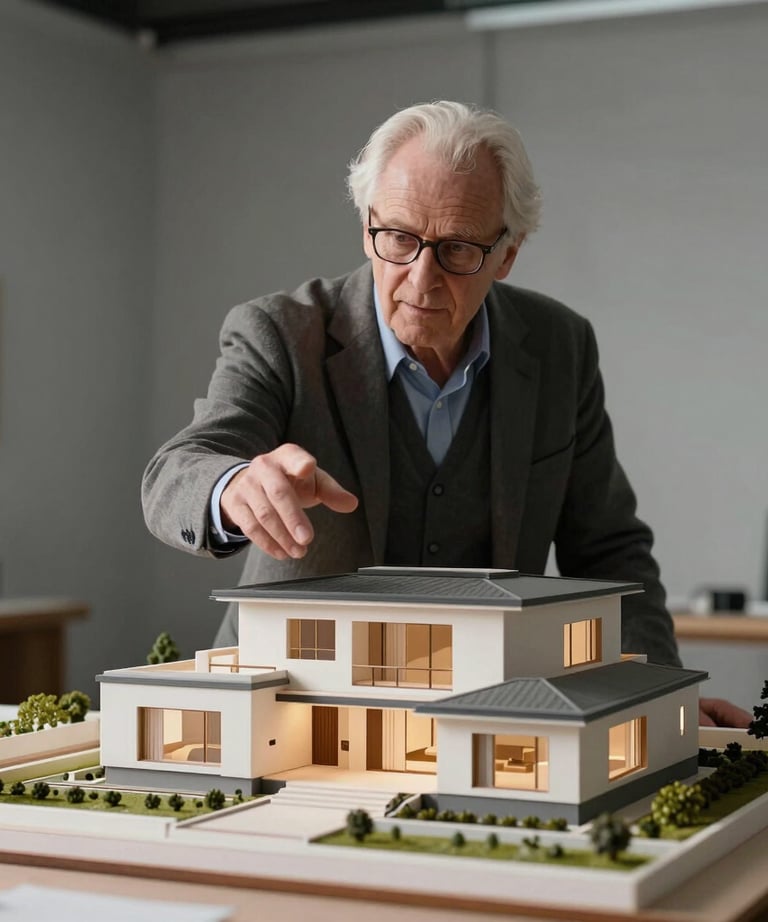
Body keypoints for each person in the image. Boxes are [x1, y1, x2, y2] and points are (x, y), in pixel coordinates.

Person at [142, 100, 749, 728]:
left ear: (506, 255)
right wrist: (231, 485)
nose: (422, 279)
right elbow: (177, 471)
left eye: (458, 249)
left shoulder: (559, 346)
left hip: (495, 711)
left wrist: (655, 693)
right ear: (367, 227)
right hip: (291, 701)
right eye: (399, 238)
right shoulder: (279, 331)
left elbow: (611, 551)